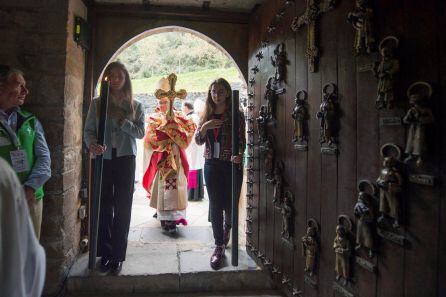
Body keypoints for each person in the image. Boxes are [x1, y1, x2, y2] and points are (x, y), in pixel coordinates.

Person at [84, 61, 145, 275]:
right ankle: (106, 253)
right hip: (104, 159)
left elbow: (140, 133)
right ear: (107, 79)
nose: (117, 79)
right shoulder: (97, 104)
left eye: (120, 75)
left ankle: (118, 256)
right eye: (112, 75)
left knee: (122, 207)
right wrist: (91, 144)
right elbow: (89, 131)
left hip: (126, 160)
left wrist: (123, 122)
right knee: (103, 206)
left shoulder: (135, 106)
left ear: (126, 78)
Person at [195, 78, 245, 269]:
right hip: (211, 164)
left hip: (231, 164)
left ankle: (227, 229)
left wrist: (239, 155)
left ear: (227, 93)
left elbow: (242, 140)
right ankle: (218, 246)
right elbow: (198, 141)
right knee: (215, 204)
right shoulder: (206, 113)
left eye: (221, 91)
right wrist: (204, 127)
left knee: (230, 204)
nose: (217, 95)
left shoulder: (236, 115)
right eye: (214, 91)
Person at [0, 64, 51, 239]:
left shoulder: (31, 121)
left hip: (31, 199)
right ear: (2, 86)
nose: (25, 91)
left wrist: (28, 189)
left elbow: (44, 159)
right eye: (19, 85)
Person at [142, 75, 196, 233]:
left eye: (166, 102)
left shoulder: (181, 117)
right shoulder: (153, 119)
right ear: (157, 102)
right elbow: (150, 139)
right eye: (161, 102)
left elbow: (188, 134)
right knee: (162, 188)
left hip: (176, 158)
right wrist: (168, 132)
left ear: (173, 100)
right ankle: (163, 217)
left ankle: (175, 217)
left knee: (176, 186)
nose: (164, 105)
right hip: (161, 158)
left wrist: (172, 129)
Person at [0, 158, 46, 297]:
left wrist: (30, 188)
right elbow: (32, 259)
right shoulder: (4, 174)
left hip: (29, 196)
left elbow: (44, 159)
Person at [183, 99, 205, 201]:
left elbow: (187, 134)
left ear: (186, 108)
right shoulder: (196, 117)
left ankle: (192, 194)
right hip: (197, 147)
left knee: (192, 168)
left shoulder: (189, 118)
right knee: (196, 167)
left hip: (192, 146)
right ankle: (198, 193)